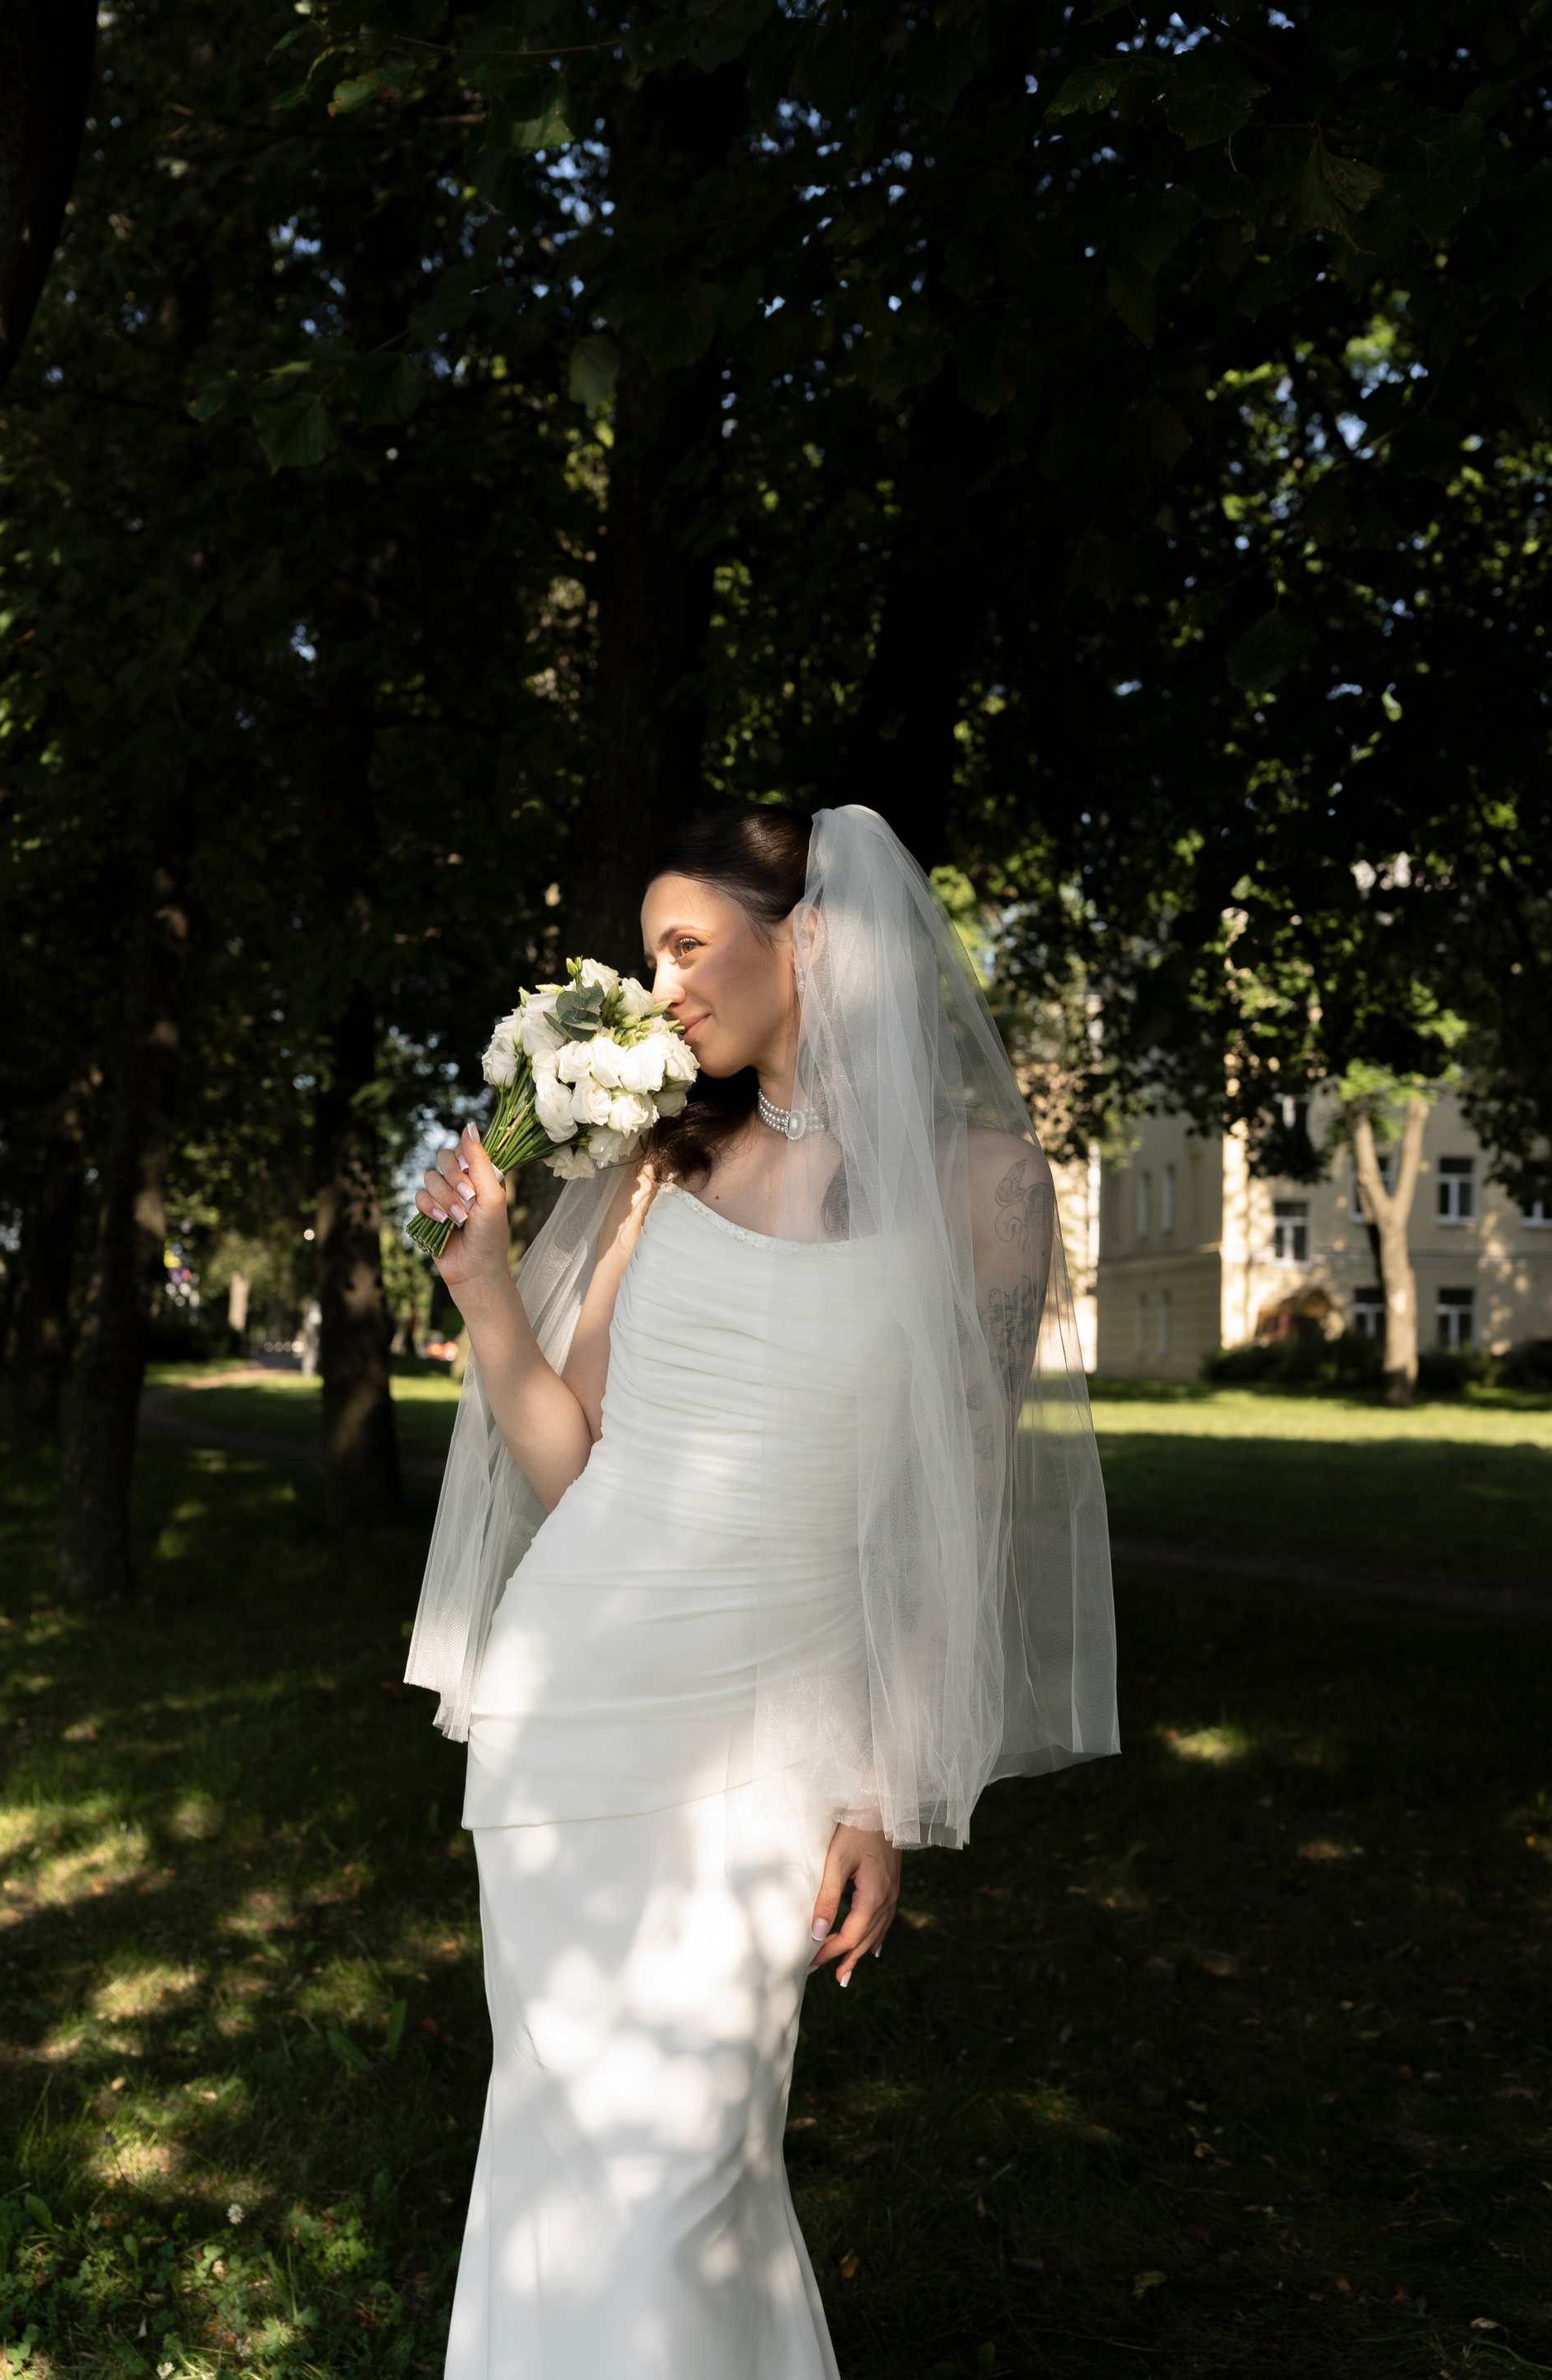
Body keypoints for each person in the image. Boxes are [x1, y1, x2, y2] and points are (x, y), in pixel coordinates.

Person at [407, 804, 1117, 2380]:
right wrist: (486, 1287)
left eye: (686, 946)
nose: (658, 990)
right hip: (574, 1705)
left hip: (777, 1738)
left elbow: (958, 1516)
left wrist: (885, 1789)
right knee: (561, 2153)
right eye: (649, 953)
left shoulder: (989, 1184)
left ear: (813, 937)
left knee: (689, 2180)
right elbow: (575, 1460)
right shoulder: (662, 1166)